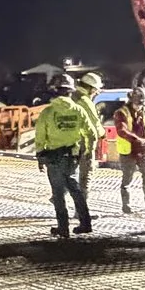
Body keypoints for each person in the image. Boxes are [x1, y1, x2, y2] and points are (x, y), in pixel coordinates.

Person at [32, 73, 98, 238]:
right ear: (70, 91)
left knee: (58, 194)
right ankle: (85, 223)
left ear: (54, 91)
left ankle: (63, 228)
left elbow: (40, 137)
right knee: (76, 190)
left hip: (54, 158)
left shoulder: (48, 112)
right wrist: (88, 151)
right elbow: (92, 134)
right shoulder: (78, 110)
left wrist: (40, 156)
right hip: (72, 157)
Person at [113, 88, 145, 213]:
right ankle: (126, 206)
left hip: (143, 150)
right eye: (138, 104)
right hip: (128, 151)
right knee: (127, 179)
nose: (140, 106)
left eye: (142, 104)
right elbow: (122, 131)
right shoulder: (121, 113)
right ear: (131, 101)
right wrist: (138, 139)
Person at [71, 71, 106, 207]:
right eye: (96, 90)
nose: (97, 93)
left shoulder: (71, 97)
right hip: (83, 143)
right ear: (90, 88)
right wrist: (103, 134)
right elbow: (95, 124)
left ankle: (59, 196)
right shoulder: (85, 101)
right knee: (85, 177)